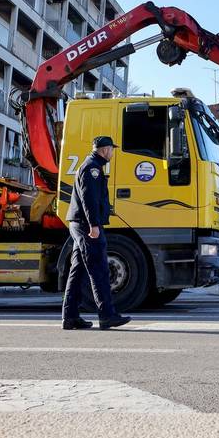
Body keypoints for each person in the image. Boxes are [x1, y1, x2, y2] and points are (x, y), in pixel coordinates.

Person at [62, 136, 131, 331]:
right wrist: (94, 224)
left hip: (79, 224)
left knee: (78, 272)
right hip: (86, 225)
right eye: (112, 149)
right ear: (105, 149)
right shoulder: (92, 167)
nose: (113, 153)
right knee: (99, 269)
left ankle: (70, 317)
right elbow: (88, 198)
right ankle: (107, 316)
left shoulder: (92, 165)